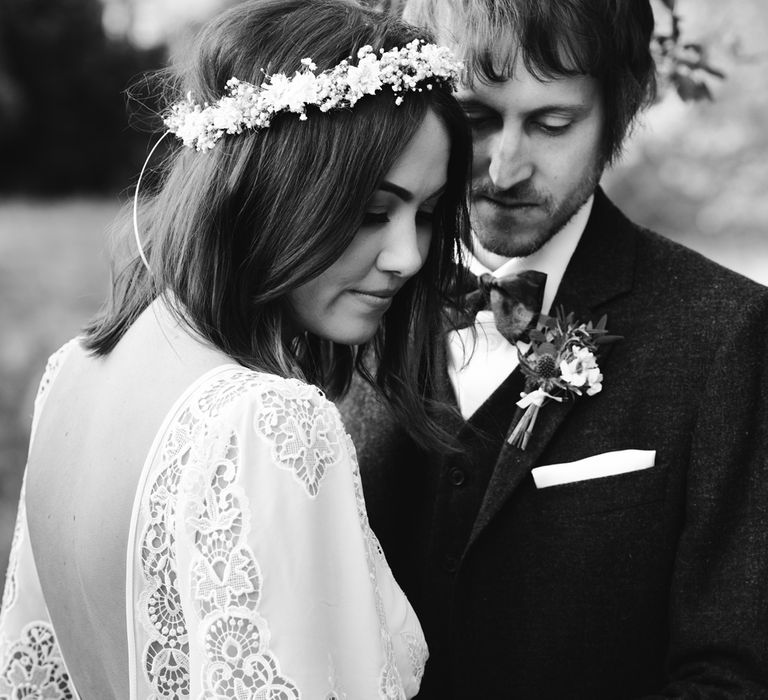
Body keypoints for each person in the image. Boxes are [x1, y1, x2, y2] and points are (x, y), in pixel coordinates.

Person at [0, 0, 473, 697]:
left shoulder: (70, 375)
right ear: (275, 186)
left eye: (426, 215)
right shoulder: (264, 423)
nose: (406, 255)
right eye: (374, 212)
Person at [338, 0, 768, 697]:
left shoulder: (726, 333)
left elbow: (731, 673)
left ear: (619, 118)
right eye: (474, 119)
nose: (505, 170)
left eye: (552, 124)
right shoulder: (338, 301)